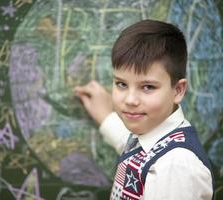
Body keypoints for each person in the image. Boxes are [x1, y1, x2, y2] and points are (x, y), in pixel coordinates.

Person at [74, 19, 214, 200]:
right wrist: (104, 116)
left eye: (148, 87)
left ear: (178, 90)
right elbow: (128, 143)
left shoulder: (176, 166)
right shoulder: (152, 136)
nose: (130, 100)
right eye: (121, 84)